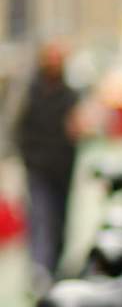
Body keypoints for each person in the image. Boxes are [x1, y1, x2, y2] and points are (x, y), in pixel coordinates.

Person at [15, 43, 79, 282]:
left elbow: (78, 125)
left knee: (60, 215)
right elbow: (16, 125)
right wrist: (27, 155)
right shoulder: (28, 93)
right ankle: (40, 267)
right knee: (41, 214)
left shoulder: (70, 94)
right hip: (37, 165)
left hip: (63, 165)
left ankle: (55, 264)